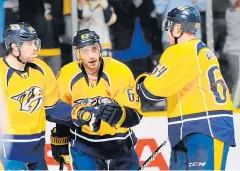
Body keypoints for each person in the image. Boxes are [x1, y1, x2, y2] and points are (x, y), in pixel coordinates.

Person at [136, 6, 236, 170]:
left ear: (177, 28)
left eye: (169, 27)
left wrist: (136, 88)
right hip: (194, 126)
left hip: (203, 128)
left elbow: (151, 91)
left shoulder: (180, 51)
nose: (167, 33)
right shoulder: (201, 50)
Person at [50, 28, 142, 170]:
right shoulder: (66, 75)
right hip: (85, 147)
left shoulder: (120, 71)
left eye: (94, 49)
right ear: (77, 53)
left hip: (120, 146)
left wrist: (120, 114)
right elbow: (63, 111)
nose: (91, 56)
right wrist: (60, 139)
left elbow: (135, 116)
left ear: (100, 48)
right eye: (85, 51)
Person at [0, 22, 83, 170]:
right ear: (14, 46)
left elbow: (52, 107)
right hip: (7, 155)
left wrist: (81, 113)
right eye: (30, 44)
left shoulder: (41, 68)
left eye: (36, 42)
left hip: (36, 153)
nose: (36, 48)